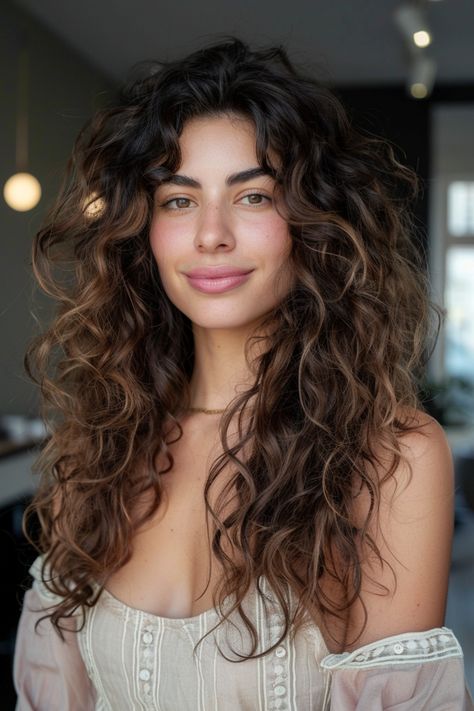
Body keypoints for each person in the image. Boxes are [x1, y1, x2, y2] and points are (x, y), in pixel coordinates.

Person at [13, 37, 473, 710]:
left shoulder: (390, 457)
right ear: (143, 230)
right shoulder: (100, 444)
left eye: (253, 196)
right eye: (178, 200)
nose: (211, 234)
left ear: (313, 221)